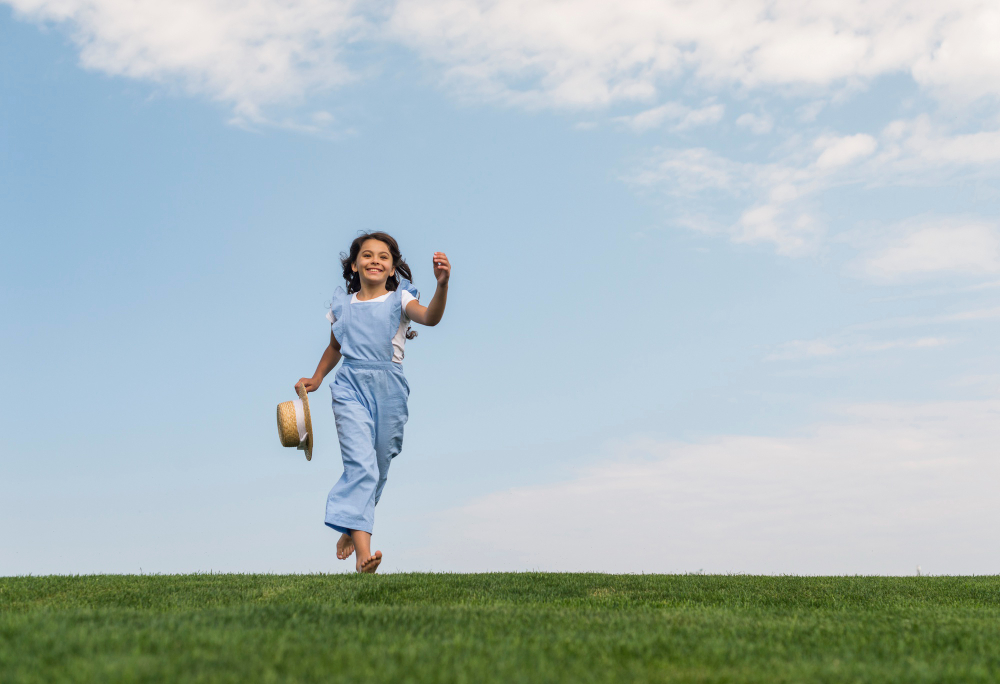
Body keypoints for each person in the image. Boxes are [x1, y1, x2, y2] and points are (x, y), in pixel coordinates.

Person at [296, 232, 450, 573]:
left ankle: (352, 526)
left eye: (383, 256)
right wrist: (318, 377)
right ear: (355, 265)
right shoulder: (343, 306)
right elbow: (335, 347)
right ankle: (363, 555)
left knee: (378, 468)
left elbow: (431, 318)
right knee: (361, 466)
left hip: (390, 391)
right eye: (367, 255)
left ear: (393, 268)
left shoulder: (401, 300)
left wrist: (442, 285)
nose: (375, 260)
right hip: (350, 387)